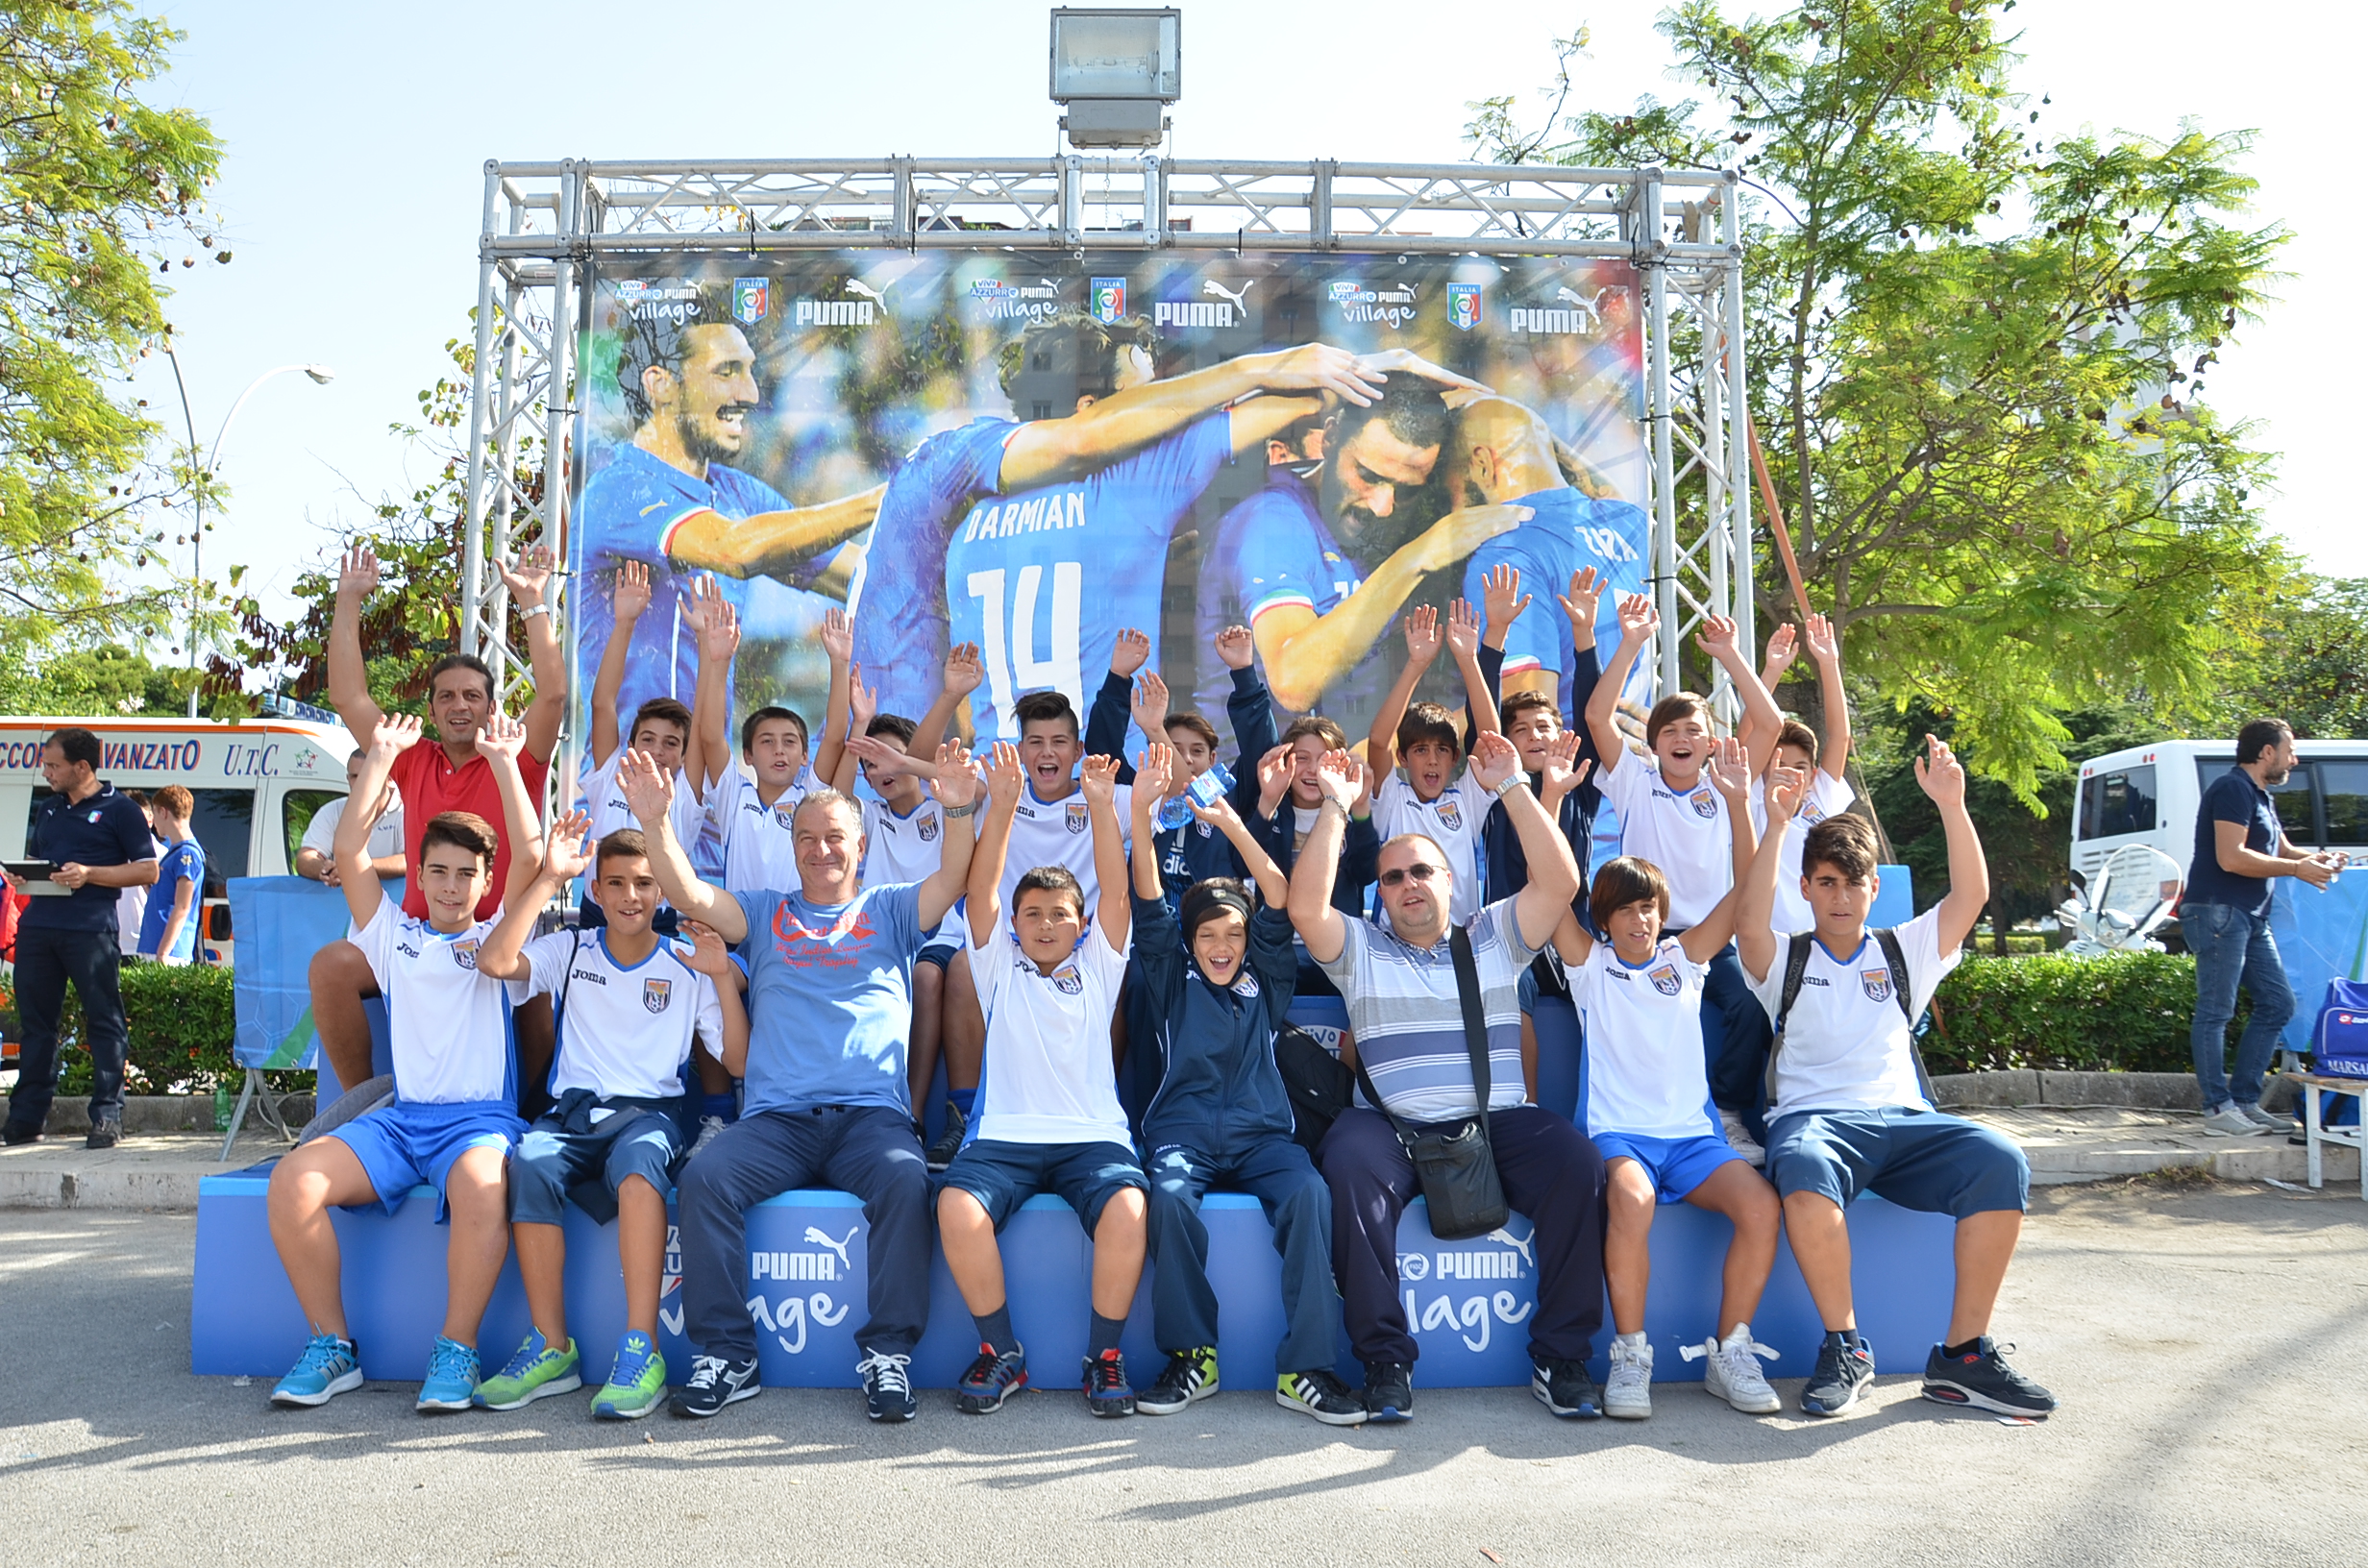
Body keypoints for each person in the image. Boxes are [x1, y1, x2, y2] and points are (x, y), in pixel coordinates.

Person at [615, 741, 978, 1424]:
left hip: (870, 1118)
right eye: (807, 838)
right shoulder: (764, 913)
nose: (821, 850)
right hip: (777, 1121)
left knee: (906, 1179)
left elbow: (954, 876)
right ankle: (729, 1354)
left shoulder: (891, 909)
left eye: (834, 837)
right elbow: (690, 894)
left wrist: (957, 807)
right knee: (705, 1178)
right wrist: (656, 823)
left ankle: (888, 1354)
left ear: (860, 846)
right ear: (792, 846)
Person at [849, 313, 1420, 725]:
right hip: (1107, 794)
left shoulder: (968, 519)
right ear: (1095, 411)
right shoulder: (1134, 487)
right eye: (1152, 400)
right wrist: (1373, 377)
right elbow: (1299, 402)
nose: (1170, 413)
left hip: (997, 793)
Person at [1292, 734, 1610, 1423]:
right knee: (1347, 1159)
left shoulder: (1495, 934)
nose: (1408, 884)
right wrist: (1337, 807)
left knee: (1577, 1162)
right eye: (1393, 878)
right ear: (1380, 895)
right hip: (1391, 1130)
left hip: (1496, 1124)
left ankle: (1561, 1357)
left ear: (1450, 882)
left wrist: (1513, 787)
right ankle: (1385, 1362)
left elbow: (1559, 884)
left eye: (1421, 871)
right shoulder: (1360, 948)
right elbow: (1305, 909)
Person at [1737, 736, 2057, 1419]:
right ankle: (1846, 1347)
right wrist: (1776, 825)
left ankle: (1963, 1358)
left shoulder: (1904, 949)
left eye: (1854, 883)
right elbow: (1747, 921)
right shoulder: (1783, 959)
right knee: (1802, 1167)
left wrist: (1952, 805)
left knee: (2001, 1160)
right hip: (1817, 1123)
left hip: (1906, 1122)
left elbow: (1971, 895)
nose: (1841, 896)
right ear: (1806, 888)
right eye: (1827, 882)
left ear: (1873, 888)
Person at [263, 713, 543, 1412]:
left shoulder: (499, 939)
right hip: (401, 1122)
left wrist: (505, 763)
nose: (451, 886)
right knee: (294, 1181)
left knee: (483, 1188)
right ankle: (332, 1346)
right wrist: (383, 757)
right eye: (439, 872)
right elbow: (349, 847)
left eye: (467, 874)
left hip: (478, 1123)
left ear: (486, 882)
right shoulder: (392, 935)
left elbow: (532, 859)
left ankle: (457, 1350)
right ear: (417, 875)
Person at [470, 815, 745, 1420]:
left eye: (644, 883)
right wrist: (550, 879)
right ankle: (552, 1346)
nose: (630, 896)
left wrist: (722, 976)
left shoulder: (685, 961)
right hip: (571, 1116)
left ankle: (641, 1349)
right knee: (530, 1161)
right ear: (595, 890)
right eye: (615, 883)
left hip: (648, 1116)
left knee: (642, 1171)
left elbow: (739, 1060)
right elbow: (493, 961)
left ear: (662, 892)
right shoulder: (572, 947)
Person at [1125, 745, 1365, 1426]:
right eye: (1209, 934)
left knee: (1310, 1194)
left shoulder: (1268, 978)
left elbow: (1279, 897)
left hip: (1263, 1136)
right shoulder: (1170, 976)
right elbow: (1147, 896)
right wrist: (1140, 814)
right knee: (1168, 1201)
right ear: (1190, 941)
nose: (1223, 945)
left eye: (1234, 932)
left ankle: (1305, 1368)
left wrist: (1231, 823)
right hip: (1182, 1134)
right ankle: (1192, 1356)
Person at [1548, 738, 1783, 1420]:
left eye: (1649, 907)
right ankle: (1630, 1358)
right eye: (1626, 909)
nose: (1640, 919)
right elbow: (1549, 884)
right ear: (1604, 919)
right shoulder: (1590, 966)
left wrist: (1740, 806)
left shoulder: (1687, 958)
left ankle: (1730, 1352)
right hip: (1620, 1136)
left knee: (1761, 1207)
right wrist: (1552, 798)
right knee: (1632, 1201)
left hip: (1693, 1140)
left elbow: (1748, 892)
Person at [939, 747, 1147, 1419]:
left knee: (1129, 1210)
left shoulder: (1101, 966)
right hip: (1005, 1137)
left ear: (1082, 925)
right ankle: (1001, 1352)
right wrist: (1001, 805)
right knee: (955, 1208)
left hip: (1093, 1138)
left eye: (1060, 914)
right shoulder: (997, 964)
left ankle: (1104, 1357)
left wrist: (1100, 805)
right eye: (1032, 914)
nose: (1046, 924)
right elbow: (980, 892)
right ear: (1015, 925)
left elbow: (1116, 890)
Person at [314, 543, 566, 1096]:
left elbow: (553, 696)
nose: (459, 705)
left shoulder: (515, 756)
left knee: (534, 994)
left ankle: (528, 1112)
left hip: (497, 932)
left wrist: (532, 602)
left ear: (491, 708)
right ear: (430, 710)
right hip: (418, 939)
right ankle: (364, 1102)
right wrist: (348, 601)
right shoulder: (411, 757)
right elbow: (347, 696)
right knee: (331, 966)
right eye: (446, 696)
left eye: (472, 696)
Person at [577, 294, 884, 725]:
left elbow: (864, 576)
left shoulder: (739, 494)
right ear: (660, 384)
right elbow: (734, 550)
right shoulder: (618, 490)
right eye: (727, 372)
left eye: (750, 370)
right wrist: (886, 498)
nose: (751, 394)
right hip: (629, 767)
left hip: (709, 767)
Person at [1194, 380, 1531, 725]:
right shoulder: (1272, 522)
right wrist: (1415, 559)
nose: (1383, 506)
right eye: (1368, 475)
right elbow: (1293, 685)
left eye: (1406, 490)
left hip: (1356, 752)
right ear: (1330, 438)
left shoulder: (1393, 518)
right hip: (1257, 757)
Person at [1587, 594, 1784, 1162]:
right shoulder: (1634, 780)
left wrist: (1730, 655)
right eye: (1669, 730)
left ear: (1710, 744)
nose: (1681, 738)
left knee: (1751, 1001)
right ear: (1654, 743)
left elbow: (1771, 723)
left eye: (1693, 730)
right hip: (1641, 936)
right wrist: (1631, 642)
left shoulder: (1726, 783)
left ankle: (1729, 1113)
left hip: (1710, 939)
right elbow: (1597, 717)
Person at [935, 690, 1133, 1163]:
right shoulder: (1000, 790)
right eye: (1036, 742)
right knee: (959, 969)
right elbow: (977, 883)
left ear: (1078, 750)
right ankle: (964, 1113)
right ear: (1021, 750)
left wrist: (1153, 731)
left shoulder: (1107, 794)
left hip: (1085, 943)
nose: (1048, 752)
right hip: (1008, 942)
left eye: (1059, 742)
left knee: (1123, 978)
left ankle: (1099, 1103)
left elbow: (1187, 793)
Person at [1, 729, 159, 1149]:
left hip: (90, 929)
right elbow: (37, 860)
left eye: (53, 766)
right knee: (36, 1025)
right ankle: (26, 1118)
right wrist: (23, 874)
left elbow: (148, 870)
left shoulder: (121, 810)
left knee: (103, 1021)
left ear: (82, 767)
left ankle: (107, 1116)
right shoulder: (49, 809)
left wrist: (89, 874)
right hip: (38, 928)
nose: (46, 773)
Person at [2183, 718, 2339, 1136]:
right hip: (2218, 911)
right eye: (2290, 750)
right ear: (2266, 752)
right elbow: (2231, 857)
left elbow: (2282, 849)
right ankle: (2218, 1109)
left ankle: (2245, 1103)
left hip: (2248, 915)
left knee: (2278, 1003)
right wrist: (2297, 869)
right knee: (2216, 1011)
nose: (2295, 759)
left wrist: (2320, 860)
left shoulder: (2259, 794)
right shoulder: (2232, 789)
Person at [1453, 397, 1651, 719]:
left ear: (1482, 464)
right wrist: (1535, 429)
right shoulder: (1627, 522)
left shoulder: (1505, 554)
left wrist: (1402, 737)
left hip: (1571, 745)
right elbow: (1605, 491)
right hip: (1634, 744)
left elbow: (1528, 706)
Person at [1081, 623, 1279, 909]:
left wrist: (1244, 673)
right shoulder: (1141, 796)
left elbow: (1262, 753)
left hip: (1216, 924)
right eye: (1174, 749)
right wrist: (1118, 678)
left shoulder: (1230, 797)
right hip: (1153, 926)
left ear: (1213, 759)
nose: (1186, 758)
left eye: (1197, 751)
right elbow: (1103, 754)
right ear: (1155, 751)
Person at [576, 558, 706, 933]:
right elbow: (602, 704)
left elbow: (704, 730)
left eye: (671, 743)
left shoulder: (686, 794)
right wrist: (625, 623)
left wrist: (705, 643)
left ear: (684, 756)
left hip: (658, 921)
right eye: (648, 739)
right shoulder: (610, 775)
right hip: (597, 916)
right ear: (630, 745)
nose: (658, 751)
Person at [1364, 599, 1504, 927]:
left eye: (1441, 750)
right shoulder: (1392, 799)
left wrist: (1468, 660)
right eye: (1420, 750)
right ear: (1402, 758)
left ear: (1455, 758)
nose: (1432, 760)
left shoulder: (1466, 800)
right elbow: (1378, 742)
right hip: (1398, 944)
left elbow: (1490, 741)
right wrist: (1416, 665)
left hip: (1460, 945)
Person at [686, 591, 825, 898]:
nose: (779, 750)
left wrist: (839, 664)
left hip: (795, 924)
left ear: (805, 756)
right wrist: (719, 661)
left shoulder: (811, 796)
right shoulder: (734, 795)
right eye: (767, 741)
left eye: (789, 742)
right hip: (741, 923)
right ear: (747, 755)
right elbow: (711, 737)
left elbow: (837, 737)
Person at [1752, 615, 1857, 941]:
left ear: (1813, 775)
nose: (1789, 773)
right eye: (1779, 764)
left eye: (1799, 767)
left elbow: (1839, 736)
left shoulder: (1821, 798)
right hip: (1764, 943)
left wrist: (1829, 663)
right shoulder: (1753, 800)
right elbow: (1751, 730)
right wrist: (1772, 671)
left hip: (1817, 940)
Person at [295, 750, 407, 886]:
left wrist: (354, 869)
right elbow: (306, 857)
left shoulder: (405, 811)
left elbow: (411, 861)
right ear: (348, 779)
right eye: (354, 776)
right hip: (343, 898)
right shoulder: (332, 812)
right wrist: (326, 871)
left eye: (368, 775)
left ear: (389, 778)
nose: (360, 782)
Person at [136, 785, 206, 966]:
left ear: (163, 812)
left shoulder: (187, 854)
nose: (154, 822)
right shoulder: (174, 852)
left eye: (155, 813)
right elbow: (163, 897)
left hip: (169, 951)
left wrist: (163, 952)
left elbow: (182, 906)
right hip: (155, 944)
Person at [113, 790, 156, 957]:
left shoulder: (161, 856)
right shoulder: (105, 853)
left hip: (143, 944)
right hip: (109, 939)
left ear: (151, 819)